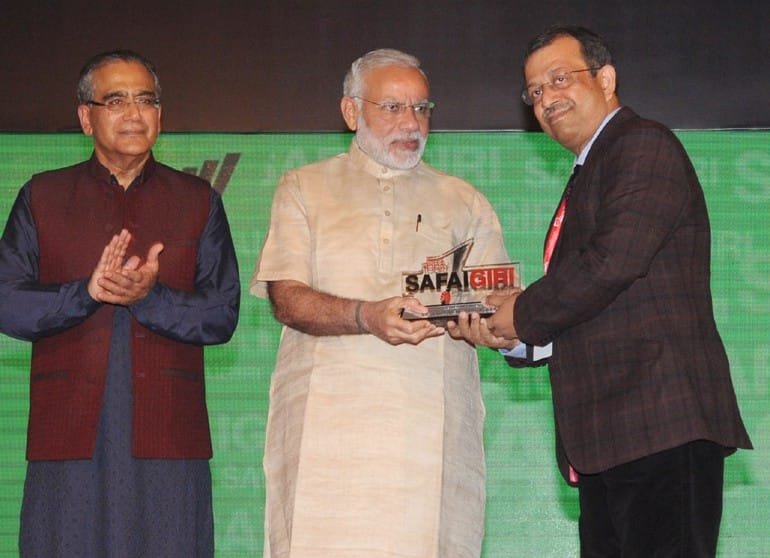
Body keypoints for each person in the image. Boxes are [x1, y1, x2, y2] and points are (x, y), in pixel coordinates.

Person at [448, 25, 752, 557]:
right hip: (609, 442)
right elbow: (596, 300)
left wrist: (521, 312)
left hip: (659, 426)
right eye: (535, 92)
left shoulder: (641, 144)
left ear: (606, 78)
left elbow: (612, 263)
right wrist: (513, 337)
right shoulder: (591, 170)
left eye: (560, 78)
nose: (546, 99)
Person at [251, 48, 508, 557]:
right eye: (393, 108)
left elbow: (494, 302)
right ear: (351, 112)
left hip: (428, 432)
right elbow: (287, 298)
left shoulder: (465, 200)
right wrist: (367, 316)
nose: (411, 123)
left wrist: (497, 324)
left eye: (421, 108)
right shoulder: (303, 187)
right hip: (326, 431)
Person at [0, 50, 240, 557]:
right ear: (86, 116)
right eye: (116, 100)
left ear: (161, 115)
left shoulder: (198, 199)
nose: (134, 113)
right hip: (68, 438)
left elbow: (221, 314)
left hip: (169, 440)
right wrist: (85, 294)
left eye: (146, 100)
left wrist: (149, 297)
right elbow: (8, 304)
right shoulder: (41, 196)